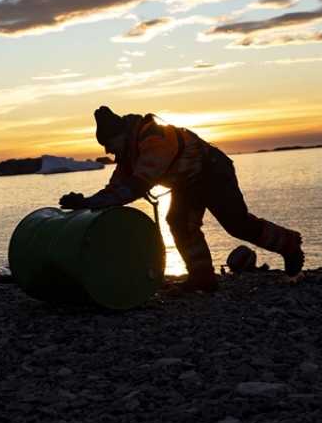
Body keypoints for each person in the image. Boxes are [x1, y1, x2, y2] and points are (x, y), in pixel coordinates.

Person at [59, 106, 305, 293]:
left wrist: (96, 203)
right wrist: (86, 202)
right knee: (178, 222)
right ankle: (203, 278)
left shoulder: (154, 139)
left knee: (236, 224)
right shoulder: (130, 153)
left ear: (122, 135)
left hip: (213, 172)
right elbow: (116, 187)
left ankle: (289, 245)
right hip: (188, 182)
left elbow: (136, 185)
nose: (107, 152)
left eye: (109, 144)